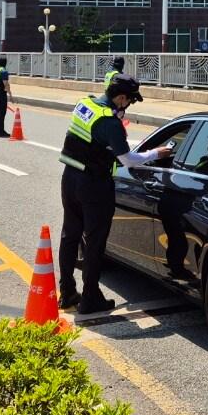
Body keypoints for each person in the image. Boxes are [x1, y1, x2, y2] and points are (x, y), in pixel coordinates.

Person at [57, 76, 172, 313]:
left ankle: (67, 291)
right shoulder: (110, 123)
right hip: (94, 185)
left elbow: (91, 141)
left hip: (70, 177)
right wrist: (156, 154)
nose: (128, 106)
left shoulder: (85, 104)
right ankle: (90, 298)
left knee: (70, 235)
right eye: (129, 101)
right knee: (95, 242)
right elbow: (128, 160)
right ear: (121, 98)